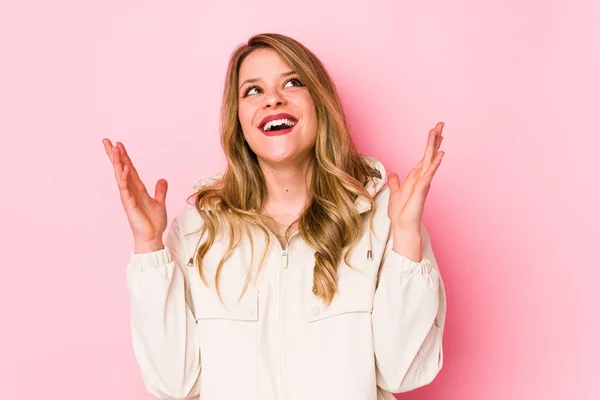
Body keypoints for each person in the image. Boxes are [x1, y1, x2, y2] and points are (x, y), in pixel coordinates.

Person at [102, 33, 446, 400]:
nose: (272, 99)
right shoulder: (197, 229)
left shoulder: (382, 216)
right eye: (252, 90)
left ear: (320, 103)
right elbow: (173, 382)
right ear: (238, 120)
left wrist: (407, 235)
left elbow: (402, 372)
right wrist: (149, 246)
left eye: (293, 83)